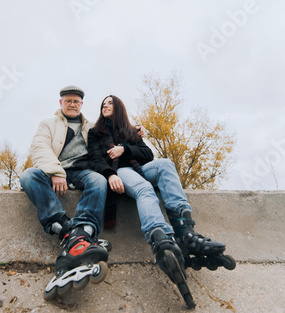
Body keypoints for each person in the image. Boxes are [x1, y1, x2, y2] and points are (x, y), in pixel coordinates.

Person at [87, 95, 235, 309]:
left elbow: (148, 154)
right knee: (145, 189)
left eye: (110, 103)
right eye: (102, 104)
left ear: (119, 107)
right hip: (120, 171)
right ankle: (160, 239)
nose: (105, 106)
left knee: (165, 164)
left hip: (140, 168)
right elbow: (95, 158)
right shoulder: (95, 133)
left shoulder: (130, 131)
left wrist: (125, 148)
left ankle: (186, 232)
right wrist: (110, 174)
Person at [19, 85, 109, 300]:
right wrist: (55, 172)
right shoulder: (48, 124)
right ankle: (64, 229)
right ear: (60, 103)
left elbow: (114, 136)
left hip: (82, 172)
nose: (72, 104)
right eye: (68, 101)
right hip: (55, 170)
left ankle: (83, 231)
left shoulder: (92, 127)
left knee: (98, 179)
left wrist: (136, 130)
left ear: (81, 104)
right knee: (28, 176)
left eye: (76, 101)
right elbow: (39, 148)